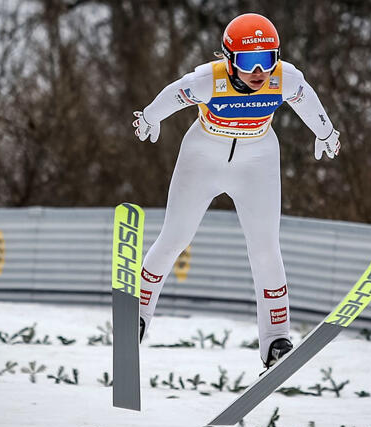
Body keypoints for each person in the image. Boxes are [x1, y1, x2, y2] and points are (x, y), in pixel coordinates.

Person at [132, 13, 340, 369]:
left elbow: (307, 100)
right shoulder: (207, 81)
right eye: (247, 62)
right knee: (175, 237)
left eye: (267, 59)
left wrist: (326, 132)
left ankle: (276, 339)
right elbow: (172, 95)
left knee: (266, 248)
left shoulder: (285, 78)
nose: (259, 71)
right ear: (229, 60)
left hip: (256, 161)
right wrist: (150, 117)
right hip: (202, 157)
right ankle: (137, 314)